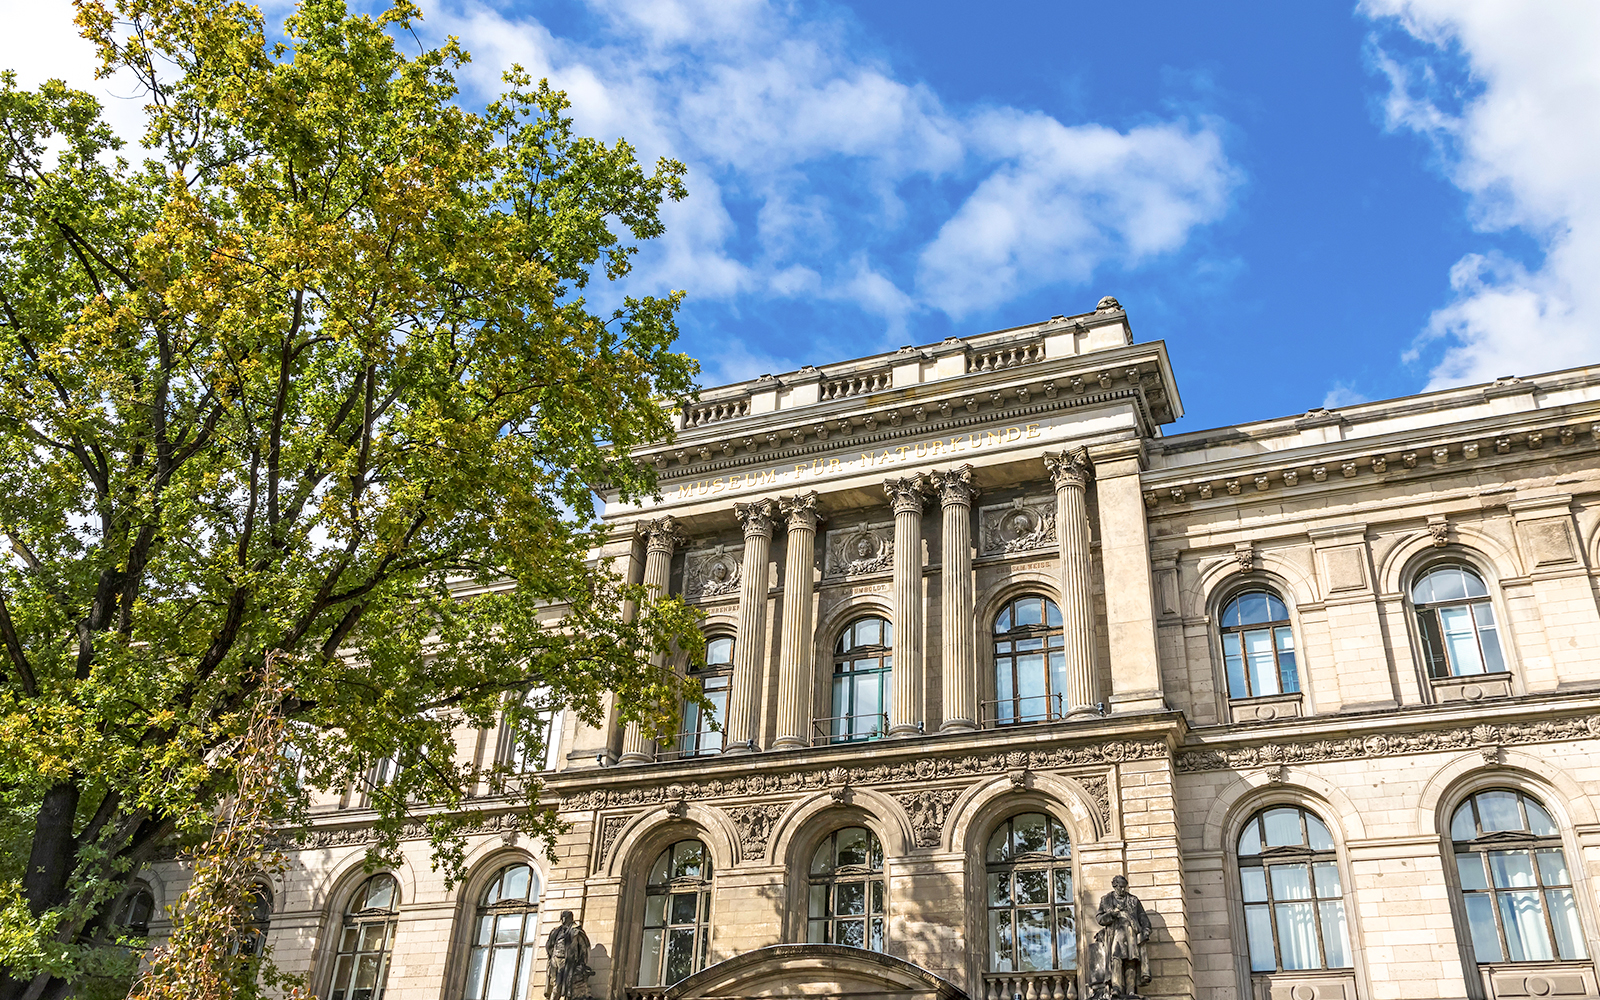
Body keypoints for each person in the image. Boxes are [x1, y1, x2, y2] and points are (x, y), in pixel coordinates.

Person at [1091, 876, 1151, 998]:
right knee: (1116, 958)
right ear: (1114, 886)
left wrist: (1146, 930)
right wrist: (1111, 915)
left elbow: (1142, 917)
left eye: (1124, 886)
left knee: (1131, 960)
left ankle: (1130, 990)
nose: (1123, 889)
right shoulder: (1106, 900)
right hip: (1115, 934)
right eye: (1120, 886)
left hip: (1131, 933)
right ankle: (1116, 987)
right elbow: (1099, 919)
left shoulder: (1133, 900)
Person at [545, 910, 593, 1000]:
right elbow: (549, 945)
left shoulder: (576, 931)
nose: (563, 920)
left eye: (565, 918)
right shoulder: (556, 931)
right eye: (562, 918)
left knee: (562, 985)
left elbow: (583, 948)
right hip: (555, 960)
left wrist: (582, 963)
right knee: (555, 983)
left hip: (566, 961)